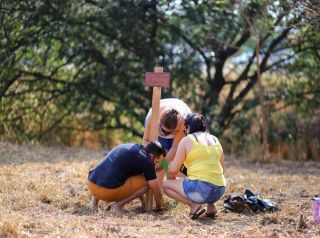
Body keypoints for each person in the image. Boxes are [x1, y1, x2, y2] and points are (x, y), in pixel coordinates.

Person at [162, 113, 226, 219]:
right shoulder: (215, 139)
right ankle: (211, 206)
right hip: (220, 190)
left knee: (165, 185)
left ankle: (194, 204)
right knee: (207, 178)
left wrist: (163, 163)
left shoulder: (187, 140)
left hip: (201, 190)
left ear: (188, 127)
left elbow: (172, 171)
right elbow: (222, 170)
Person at [87, 141, 166, 214]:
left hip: (91, 184)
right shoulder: (148, 162)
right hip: (107, 191)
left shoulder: (133, 148)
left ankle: (94, 204)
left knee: (110, 168)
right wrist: (159, 207)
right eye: (156, 162)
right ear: (151, 156)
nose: (156, 165)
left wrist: (143, 201)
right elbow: (157, 191)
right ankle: (117, 206)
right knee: (148, 182)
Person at [143, 98, 191, 163]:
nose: (164, 134)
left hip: (183, 124)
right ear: (159, 120)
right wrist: (147, 159)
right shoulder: (153, 115)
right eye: (162, 129)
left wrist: (163, 164)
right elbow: (146, 139)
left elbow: (175, 147)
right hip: (156, 117)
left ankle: (167, 169)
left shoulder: (182, 123)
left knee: (174, 154)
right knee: (157, 151)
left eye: (167, 132)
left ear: (174, 130)